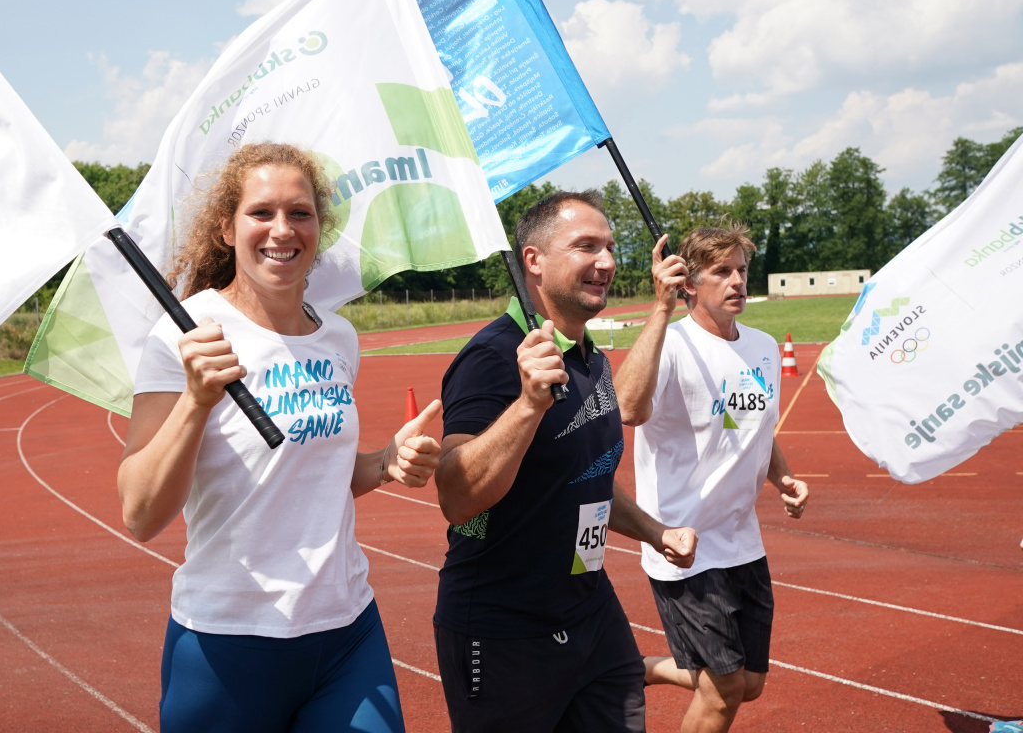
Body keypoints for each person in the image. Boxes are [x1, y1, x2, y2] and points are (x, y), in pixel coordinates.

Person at [117, 142, 442, 733]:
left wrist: (387, 461)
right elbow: (140, 513)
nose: (282, 229)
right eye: (261, 212)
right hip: (228, 643)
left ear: (320, 228)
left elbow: (318, 474)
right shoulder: (186, 335)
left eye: (300, 213)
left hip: (346, 631)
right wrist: (195, 400)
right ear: (227, 228)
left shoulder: (338, 337)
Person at [433, 190, 699, 733]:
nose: (606, 261)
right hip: (505, 629)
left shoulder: (590, 358)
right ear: (533, 260)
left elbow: (586, 474)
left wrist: (655, 532)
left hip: (590, 612)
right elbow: (456, 497)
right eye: (586, 246)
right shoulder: (493, 357)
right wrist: (528, 404)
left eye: (609, 247)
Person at [618, 223, 809, 733]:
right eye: (722, 271)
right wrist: (659, 310)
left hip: (742, 541)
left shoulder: (764, 346)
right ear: (689, 283)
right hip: (684, 544)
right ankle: (635, 670)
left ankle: (634, 669)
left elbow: (755, 427)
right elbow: (628, 409)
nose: (737, 281)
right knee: (723, 691)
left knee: (750, 683)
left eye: (741, 270)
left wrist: (784, 478)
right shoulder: (669, 345)